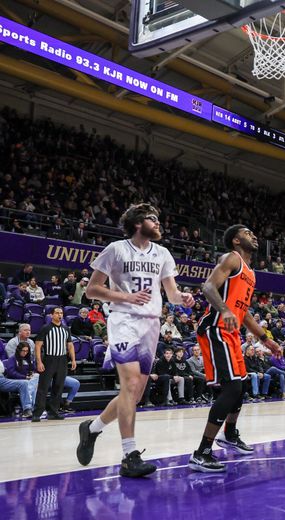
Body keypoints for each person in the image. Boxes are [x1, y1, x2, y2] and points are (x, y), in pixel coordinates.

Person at [76, 203, 194, 478]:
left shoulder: (162, 253)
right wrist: (126, 297)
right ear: (140, 223)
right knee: (129, 385)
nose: (159, 224)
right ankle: (129, 455)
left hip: (151, 325)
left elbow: (171, 293)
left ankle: (91, 429)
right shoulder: (116, 249)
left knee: (135, 394)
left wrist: (183, 299)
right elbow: (93, 290)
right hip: (124, 321)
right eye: (154, 220)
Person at [189, 225, 281, 473]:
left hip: (230, 331)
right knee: (232, 387)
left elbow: (245, 312)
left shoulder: (251, 272)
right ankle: (202, 452)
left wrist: (266, 339)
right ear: (237, 240)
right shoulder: (231, 258)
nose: (254, 235)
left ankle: (229, 433)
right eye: (248, 232)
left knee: (240, 386)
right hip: (215, 328)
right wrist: (225, 310)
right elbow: (208, 287)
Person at [32, 307, 75, 422]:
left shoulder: (66, 329)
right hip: (49, 359)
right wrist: (39, 361)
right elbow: (38, 345)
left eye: (61, 313)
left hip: (62, 360)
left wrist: (73, 360)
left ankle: (53, 412)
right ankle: (37, 413)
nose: (59, 315)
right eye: (57, 313)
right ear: (52, 315)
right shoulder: (46, 328)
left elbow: (70, 345)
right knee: (43, 387)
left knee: (58, 387)